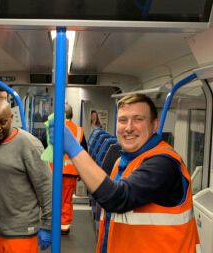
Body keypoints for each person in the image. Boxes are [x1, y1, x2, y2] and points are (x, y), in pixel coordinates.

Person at [50, 94, 200, 252]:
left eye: (138, 119)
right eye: (123, 120)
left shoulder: (164, 163)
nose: (129, 127)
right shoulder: (123, 162)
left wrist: (73, 148)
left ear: (155, 125)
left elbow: (117, 198)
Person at [0, 98, 52, 252]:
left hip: (21, 234)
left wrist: (48, 225)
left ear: (12, 118)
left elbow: (46, 187)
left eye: (2, 122)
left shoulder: (29, 145)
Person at [50, 104, 88, 235]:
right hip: (71, 172)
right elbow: (84, 153)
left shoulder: (53, 128)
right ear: (71, 115)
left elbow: (45, 150)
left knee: (54, 198)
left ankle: (52, 223)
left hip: (54, 171)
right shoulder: (79, 130)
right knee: (66, 199)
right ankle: (64, 226)